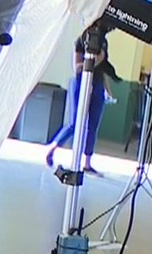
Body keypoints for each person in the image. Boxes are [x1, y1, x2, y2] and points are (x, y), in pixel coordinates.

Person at [42, 27, 119, 175]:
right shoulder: (81, 41)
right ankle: (52, 148)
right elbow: (77, 68)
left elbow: (103, 71)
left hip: (97, 85)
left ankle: (87, 163)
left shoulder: (103, 43)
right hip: (80, 83)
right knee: (75, 122)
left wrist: (107, 91)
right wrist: (95, 61)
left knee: (93, 125)